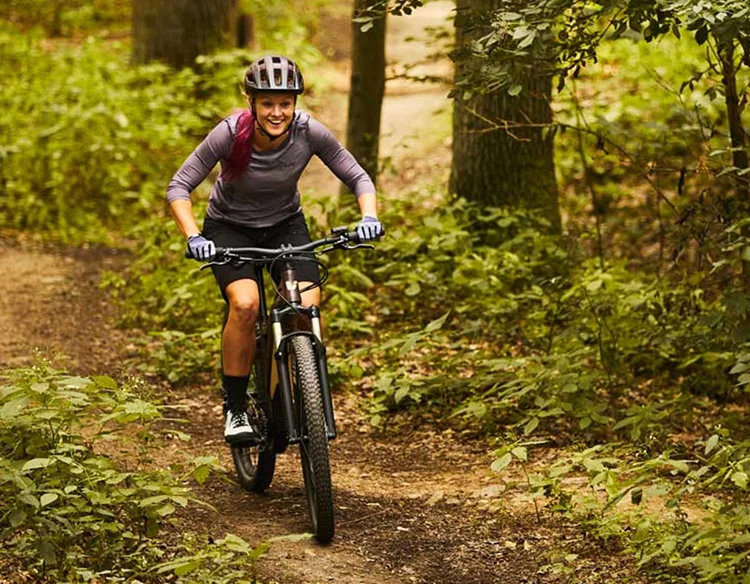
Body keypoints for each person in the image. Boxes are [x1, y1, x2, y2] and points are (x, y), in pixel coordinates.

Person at [166, 55, 383, 444]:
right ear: (251, 101)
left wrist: (368, 217)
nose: (277, 112)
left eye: (285, 103)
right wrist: (194, 236)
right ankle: (234, 408)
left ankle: (285, 394)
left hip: (284, 225)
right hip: (230, 229)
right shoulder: (230, 134)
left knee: (304, 307)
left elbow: (357, 176)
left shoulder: (309, 132)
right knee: (246, 305)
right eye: (267, 102)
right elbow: (179, 187)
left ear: (296, 103)